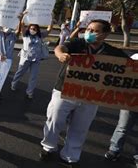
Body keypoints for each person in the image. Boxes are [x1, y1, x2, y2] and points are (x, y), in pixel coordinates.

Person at [39, 19, 129, 166]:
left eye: (94, 31)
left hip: (91, 96)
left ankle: (71, 155)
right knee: (54, 121)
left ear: (105, 35)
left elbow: (130, 66)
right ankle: (48, 147)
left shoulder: (111, 52)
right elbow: (59, 48)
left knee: (80, 127)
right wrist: (61, 55)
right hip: (65, 91)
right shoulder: (78, 43)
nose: (89, 33)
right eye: (88, 29)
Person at [10, 17, 53, 99]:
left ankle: (30, 92)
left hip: (36, 59)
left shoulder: (40, 36)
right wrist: (23, 17)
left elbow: (49, 29)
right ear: (29, 28)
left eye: (34, 29)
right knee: (20, 73)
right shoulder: (25, 35)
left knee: (34, 76)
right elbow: (22, 25)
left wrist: (51, 18)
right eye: (31, 28)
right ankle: (14, 83)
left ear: (37, 30)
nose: (33, 30)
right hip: (25, 58)